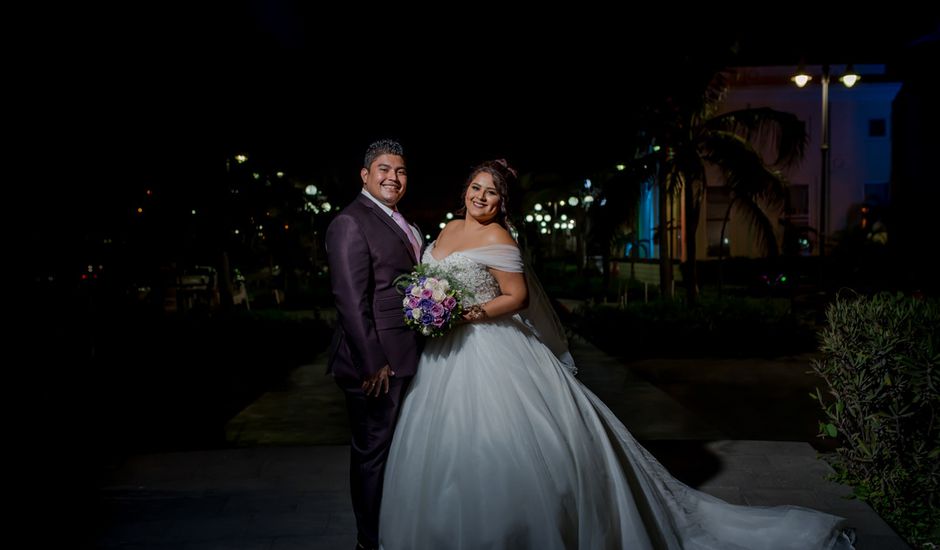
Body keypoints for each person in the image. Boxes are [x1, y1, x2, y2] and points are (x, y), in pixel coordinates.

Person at [378, 160, 854, 549]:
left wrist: (468, 313)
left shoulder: (499, 238)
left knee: (507, 446)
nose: (481, 197)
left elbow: (518, 298)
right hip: (443, 357)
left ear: (503, 203)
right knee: (446, 448)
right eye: (476, 188)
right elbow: (429, 277)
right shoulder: (444, 230)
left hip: (489, 347)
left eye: (492, 193)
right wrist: (431, 306)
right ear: (466, 189)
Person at [325, 139, 424, 550]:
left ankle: (393, 533)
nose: (393, 178)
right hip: (376, 364)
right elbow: (350, 300)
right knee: (373, 455)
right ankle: (368, 542)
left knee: (397, 454)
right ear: (365, 175)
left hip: (406, 353)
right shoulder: (351, 222)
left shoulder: (399, 220)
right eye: (384, 169)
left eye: (400, 171)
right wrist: (373, 363)